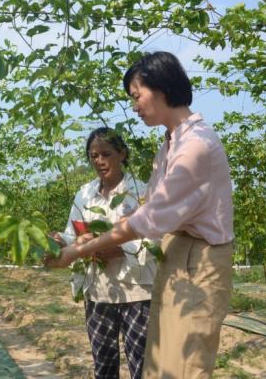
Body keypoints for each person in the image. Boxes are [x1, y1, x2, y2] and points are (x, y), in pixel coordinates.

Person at [46, 51, 234, 379]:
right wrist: (71, 242)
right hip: (174, 256)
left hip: (195, 260)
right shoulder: (172, 143)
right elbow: (147, 211)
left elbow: (149, 220)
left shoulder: (194, 147)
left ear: (160, 88)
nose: (134, 106)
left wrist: (76, 251)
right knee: (160, 367)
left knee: (184, 368)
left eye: (137, 95)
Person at [51, 127, 156, 379]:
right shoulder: (85, 194)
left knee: (142, 366)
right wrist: (61, 241)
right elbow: (72, 234)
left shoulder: (141, 192)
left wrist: (120, 248)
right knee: (104, 366)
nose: (99, 161)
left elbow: (157, 239)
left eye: (106, 154)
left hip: (137, 293)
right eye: (93, 156)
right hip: (98, 291)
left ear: (122, 154)